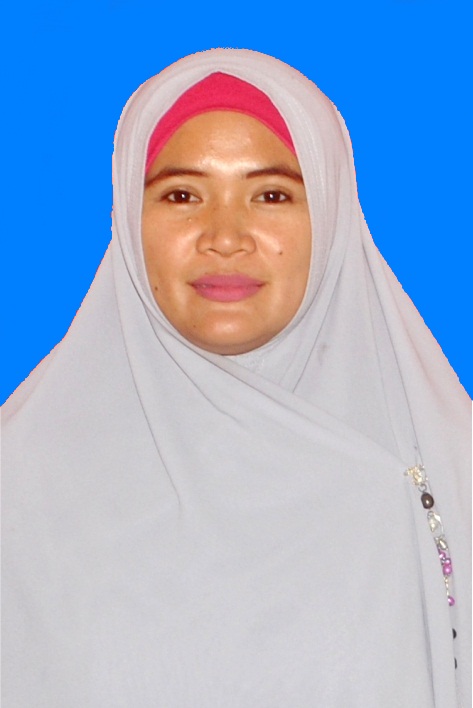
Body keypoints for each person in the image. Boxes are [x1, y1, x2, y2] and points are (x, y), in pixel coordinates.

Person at [2, 49, 470, 707]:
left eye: (271, 195)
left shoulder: (440, 477)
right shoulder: (23, 485)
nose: (224, 237)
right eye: (182, 195)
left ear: (332, 215)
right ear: (128, 218)